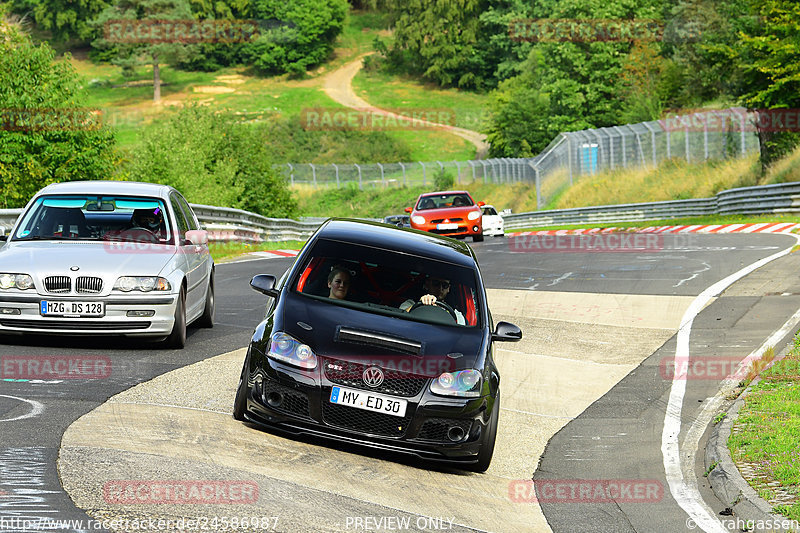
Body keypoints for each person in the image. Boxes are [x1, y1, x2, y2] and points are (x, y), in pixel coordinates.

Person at [400, 276, 465, 325]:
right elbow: (399, 318)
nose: (440, 288)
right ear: (427, 284)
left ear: (448, 289)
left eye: (445, 285)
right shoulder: (410, 303)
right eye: (436, 283)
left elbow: (461, 333)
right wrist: (420, 303)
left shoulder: (456, 314)